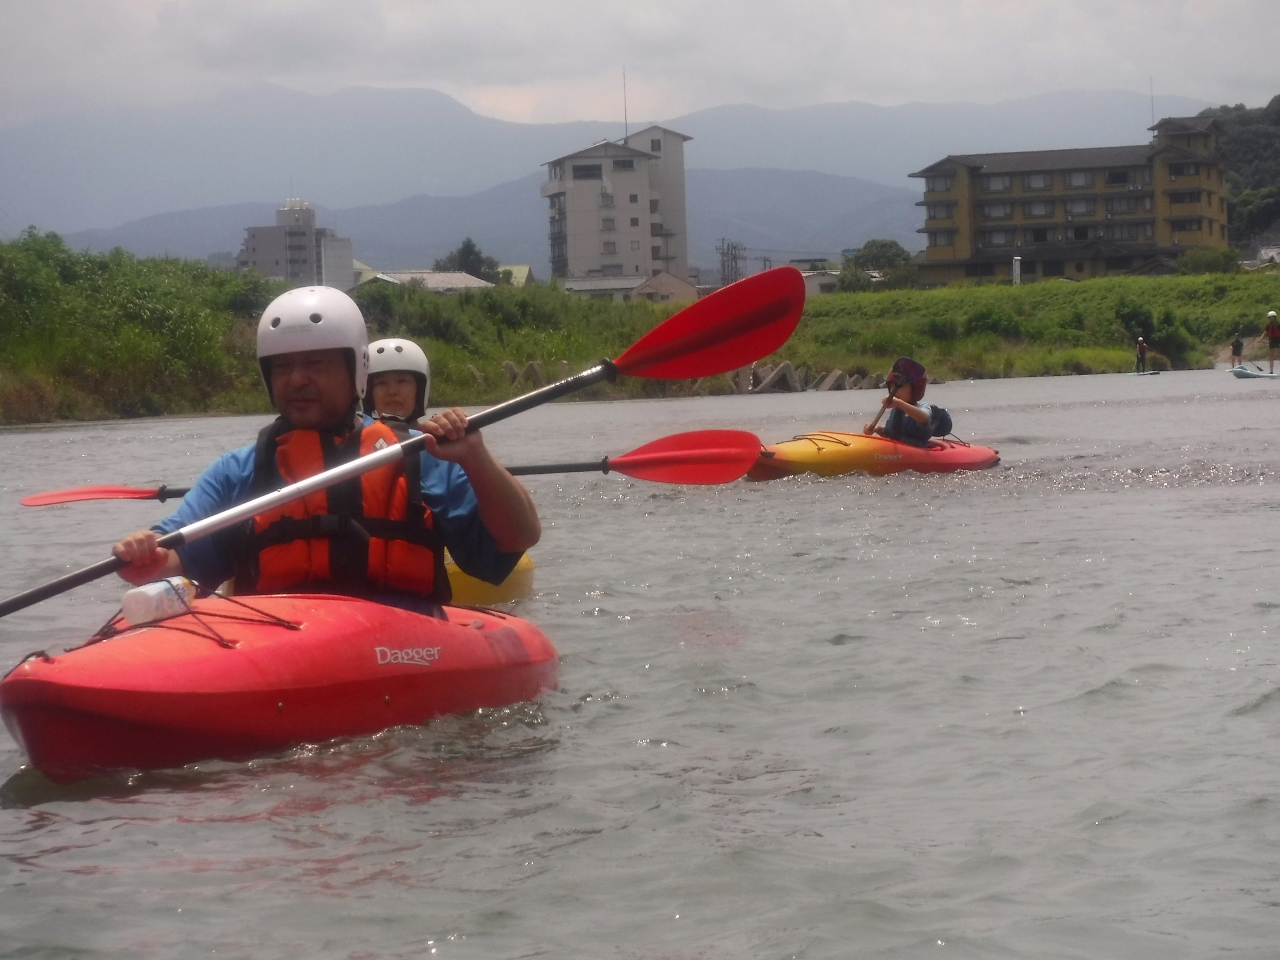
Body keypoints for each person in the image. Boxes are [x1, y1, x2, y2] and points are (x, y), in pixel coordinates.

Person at [111, 287, 539, 617]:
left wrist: (475, 459)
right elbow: (172, 554)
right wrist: (144, 558)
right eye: (282, 367)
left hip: (400, 640)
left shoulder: (417, 456)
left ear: (355, 370)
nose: (296, 379)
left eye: (315, 364)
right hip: (276, 642)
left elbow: (519, 537)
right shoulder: (239, 471)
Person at [864, 357, 950, 447]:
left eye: (901, 386)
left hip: (916, 452)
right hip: (898, 452)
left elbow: (924, 418)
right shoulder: (896, 410)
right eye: (892, 387)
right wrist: (876, 429)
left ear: (914, 389)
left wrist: (898, 403)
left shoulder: (923, 407)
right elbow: (891, 434)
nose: (895, 390)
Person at [364, 337, 430, 425]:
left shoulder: (436, 436)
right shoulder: (354, 438)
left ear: (419, 390)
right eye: (381, 383)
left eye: (402, 381)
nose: (392, 391)